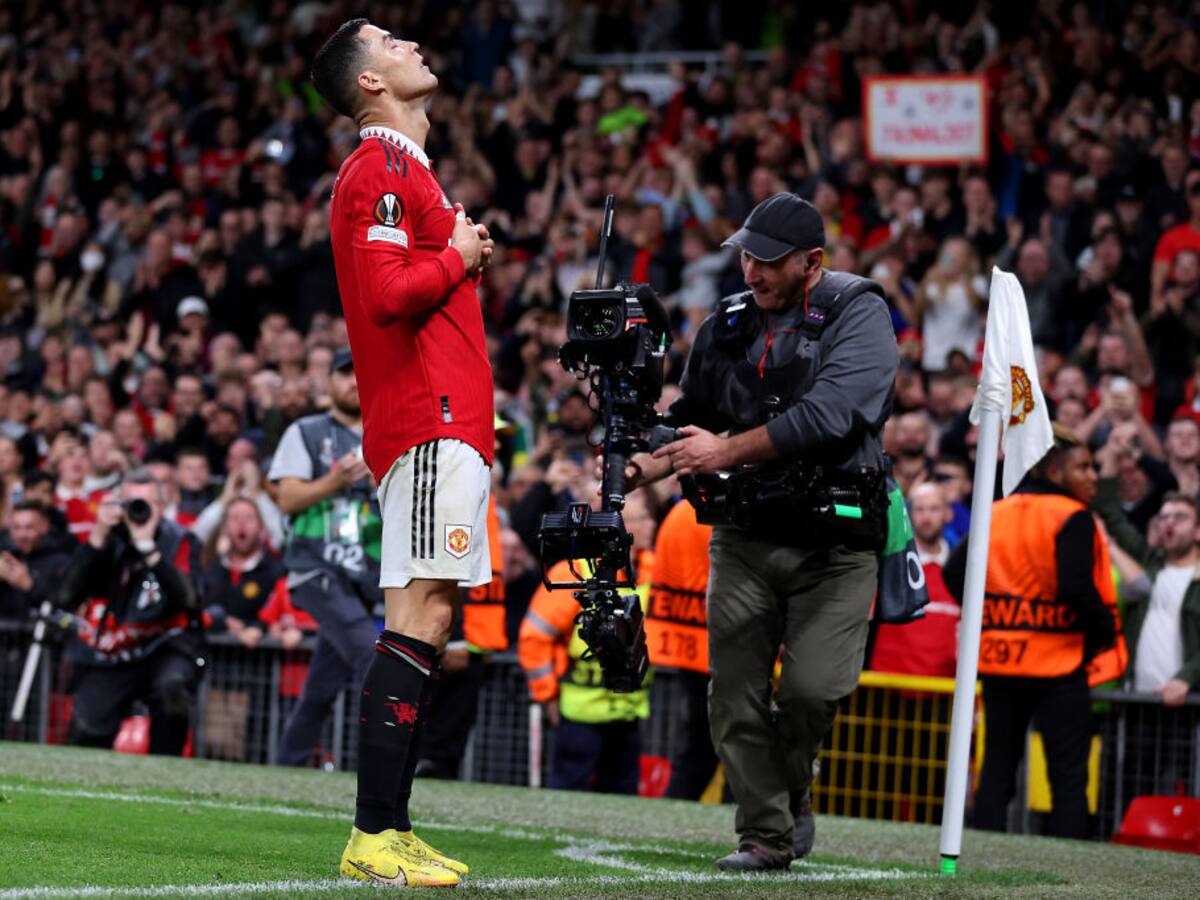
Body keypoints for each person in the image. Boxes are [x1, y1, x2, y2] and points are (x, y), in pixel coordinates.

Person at [626, 193, 899, 869]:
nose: (751, 272)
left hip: (835, 543)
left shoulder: (859, 311)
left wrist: (722, 451)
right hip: (745, 534)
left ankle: (792, 792)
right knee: (734, 694)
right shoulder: (728, 321)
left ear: (813, 262)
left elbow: (831, 414)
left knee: (811, 691)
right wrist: (639, 463)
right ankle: (766, 837)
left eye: (769, 261)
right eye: (746, 256)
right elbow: (691, 413)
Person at [311, 18, 495, 886]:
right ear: (370, 84)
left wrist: (457, 254)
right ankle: (373, 832)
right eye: (389, 41)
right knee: (421, 621)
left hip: (439, 420)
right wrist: (456, 255)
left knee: (423, 622)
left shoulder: (405, 170)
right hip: (429, 419)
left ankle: (390, 825)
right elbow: (388, 298)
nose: (412, 43)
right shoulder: (377, 169)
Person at [944, 425, 1125, 839]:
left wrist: (988, 614)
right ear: (1056, 472)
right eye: (1084, 468)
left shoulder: (997, 510)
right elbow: (1075, 587)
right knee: (1067, 774)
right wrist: (1104, 631)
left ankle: (980, 853)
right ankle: (1065, 868)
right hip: (1057, 664)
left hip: (1000, 657)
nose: (1093, 476)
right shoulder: (1071, 516)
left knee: (997, 768)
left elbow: (956, 572)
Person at [270, 349, 381, 764]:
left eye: (361, 373)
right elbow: (286, 497)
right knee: (373, 658)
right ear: (328, 383)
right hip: (316, 564)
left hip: (363, 573)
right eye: (343, 375)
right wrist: (335, 480)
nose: (353, 382)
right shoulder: (306, 431)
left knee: (322, 684)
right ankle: (382, 765)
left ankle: (289, 763)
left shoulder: (385, 432)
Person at [518, 491, 655, 794]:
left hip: (628, 710)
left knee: (622, 800)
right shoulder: (576, 573)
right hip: (580, 714)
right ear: (623, 530)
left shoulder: (655, 570)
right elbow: (534, 636)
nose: (651, 525)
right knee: (568, 793)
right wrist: (547, 695)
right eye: (642, 519)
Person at [60, 471, 204, 755]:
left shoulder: (180, 539)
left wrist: (148, 547)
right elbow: (67, 595)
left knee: (171, 692)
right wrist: (99, 534)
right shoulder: (109, 539)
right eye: (130, 503)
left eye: (146, 503)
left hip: (166, 646)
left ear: (161, 507)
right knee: (86, 728)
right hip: (117, 652)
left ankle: (166, 776)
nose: (138, 510)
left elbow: (187, 599)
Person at [643, 498, 718, 800]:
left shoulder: (683, 511)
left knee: (703, 741)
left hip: (693, 642)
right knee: (711, 742)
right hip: (711, 645)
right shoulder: (707, 512)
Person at [869, 482, 959, 678]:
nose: (926, 517)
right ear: (909, 514)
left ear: (948, 513)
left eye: (934, 509)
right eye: (919, 509)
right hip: (886, 687)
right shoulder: (889, 565)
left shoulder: (961, 571)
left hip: (942, 691)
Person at [0, 501, 74, 621]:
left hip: (43, 634)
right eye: (16, 527)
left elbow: (67, 605)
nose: (22, 535)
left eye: (29, 528)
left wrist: (30, 585)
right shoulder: (4, 556)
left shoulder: (60, 562)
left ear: (44, 526)